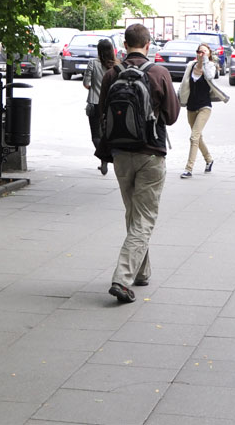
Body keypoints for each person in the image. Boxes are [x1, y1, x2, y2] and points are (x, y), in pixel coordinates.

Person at [97, 23, 180, 304]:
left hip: (121, 154)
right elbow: (172, 116)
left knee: (134, 213)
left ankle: (141, 272)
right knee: (144, 217)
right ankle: (122, 279)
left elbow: (102, 113)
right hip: (151, 154)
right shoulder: (159, 72)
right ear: (148, 45)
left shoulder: (112, 74)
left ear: (125, 44)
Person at [178, 43, 229, 179]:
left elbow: (210, 76)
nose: (201, 54)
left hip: (204, 106)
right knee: (197, 137)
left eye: (204, 52)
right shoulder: (191, 66)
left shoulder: (211, 66)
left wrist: (205, 61)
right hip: (191, 106)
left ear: (209, 54)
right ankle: (209, 159)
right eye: (199, 52)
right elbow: (184, 83)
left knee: (193, 137)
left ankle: (188, 169)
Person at [83, 38, 118, 175]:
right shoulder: (117, 65)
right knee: (108, 133)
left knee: (96, 135)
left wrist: (94, 88)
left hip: (95, 103)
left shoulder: (92, 63)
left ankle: (103, 158)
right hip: (111, 105)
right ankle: (108, 156)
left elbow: (86, 83)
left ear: (98, 51)